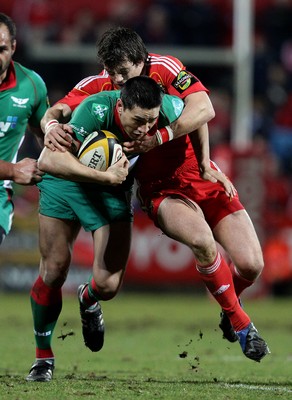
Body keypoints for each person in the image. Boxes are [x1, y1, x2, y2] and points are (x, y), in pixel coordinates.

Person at [26, 76, 269, 382]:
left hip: (123, 184)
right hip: (80, 180)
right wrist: (52, 128)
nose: (143, 129)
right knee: (54, 268)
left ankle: (90, 299)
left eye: (150, 121)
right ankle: (43, 358)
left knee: (251, 265)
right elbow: (49, 153)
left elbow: (201, 110)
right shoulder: (94, 102)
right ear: (119, 102)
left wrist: (205, 162)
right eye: (138, 121)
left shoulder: (162, 98)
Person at [0, 13, 48, 244]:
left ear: (13, 47)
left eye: (1, 49)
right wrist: (13, 170)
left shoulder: (31, 85)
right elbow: (15, 170)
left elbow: (47, 137)